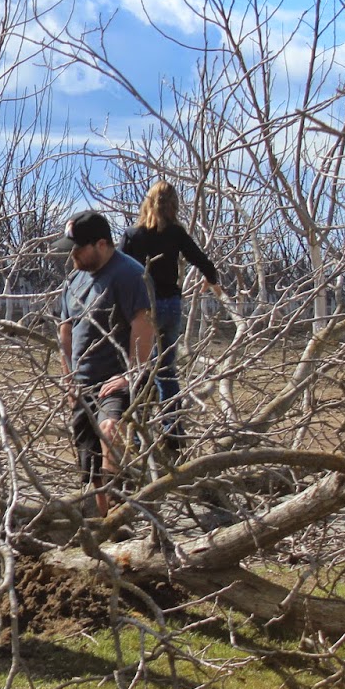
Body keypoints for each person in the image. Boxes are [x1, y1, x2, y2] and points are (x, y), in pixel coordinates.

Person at [55, 209, 155, 516]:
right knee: (90, 462)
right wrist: (69, 379)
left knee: (110, 430)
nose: (72, 254)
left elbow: (143, 323)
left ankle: (117, 509)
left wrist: (130, 374)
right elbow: (66, 330)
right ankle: (103, 522)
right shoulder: (74, 280)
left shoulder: (129, 274)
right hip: (84, 381)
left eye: (78, 248)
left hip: (117, 377)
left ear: (101, 244)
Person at [119, 182, 222, 453]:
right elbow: (202, 260)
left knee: (138, 370)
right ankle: (173, 431)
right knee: (166, 371)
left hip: (144, 310)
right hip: (171, 307)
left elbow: (117, 269)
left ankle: (137, 435)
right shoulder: (176, 233)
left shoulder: (132, 235)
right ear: (173, 205)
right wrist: (211, 279)